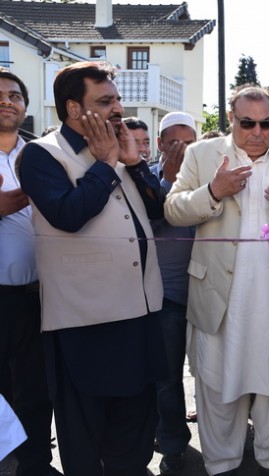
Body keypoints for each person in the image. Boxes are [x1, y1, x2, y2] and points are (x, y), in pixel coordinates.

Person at [164, 85, 269, 476]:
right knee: (218, 385)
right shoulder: (202, 155)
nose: (258, 132)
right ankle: (221, 463)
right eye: (248, 123)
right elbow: (173, 209)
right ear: (231, 120)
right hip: (220, 297)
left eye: (267, 123)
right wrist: (212, 192)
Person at [18, 61, 167, 474]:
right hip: (85, 321)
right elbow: (68, 215)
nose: (117, 109)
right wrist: (104, 164)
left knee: (136, 424)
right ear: (72, 108)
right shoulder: (41, 154)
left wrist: (133, 162)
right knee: (86, 432)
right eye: (105, 101)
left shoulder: (118, 149)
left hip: (140, 312)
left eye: (117, 99)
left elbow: (158, 209)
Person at [0, 68, 59, 476]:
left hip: (43, 294)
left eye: (15, 95)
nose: (7, 101)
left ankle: (37, 462)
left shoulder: (42, 155)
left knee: (37, 388)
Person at [150, 111, 199, 475]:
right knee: (167, 377)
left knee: (212, 372)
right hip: (165, 294)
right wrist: (168, 180)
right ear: (160, 145)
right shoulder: (145, 179)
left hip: (208, 290)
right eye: (174, 144)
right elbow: (152, 221)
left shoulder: (212, 178)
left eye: (189, 144)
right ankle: (173, 443)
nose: (182, 151)